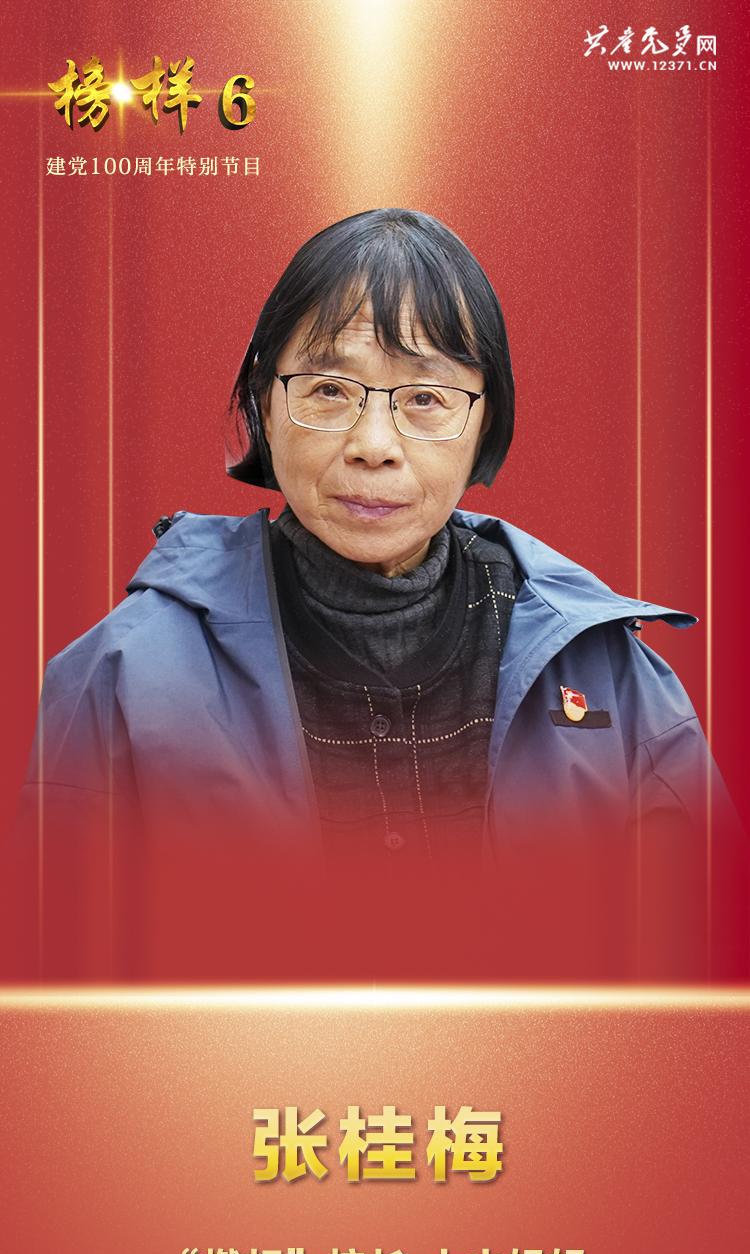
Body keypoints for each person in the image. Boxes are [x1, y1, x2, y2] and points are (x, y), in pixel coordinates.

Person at [5, 209, 746, 983]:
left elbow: (706, 981)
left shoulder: (606, 675)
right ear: (264, 404)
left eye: (425, 398)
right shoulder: (121, 677)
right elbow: (59, 997)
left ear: (484, 421)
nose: (374, 445)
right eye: (329, 388)